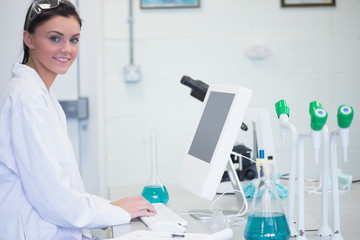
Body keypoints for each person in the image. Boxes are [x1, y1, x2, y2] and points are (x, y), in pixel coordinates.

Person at [0, 0, 156, 239]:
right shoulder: (27, 98)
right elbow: (52, 197)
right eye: (54, 38)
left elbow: (60, 188)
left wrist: (109, 207)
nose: (67, 49)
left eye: (74, 39)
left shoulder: (39, 92)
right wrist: (114, 212)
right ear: (28, 39)